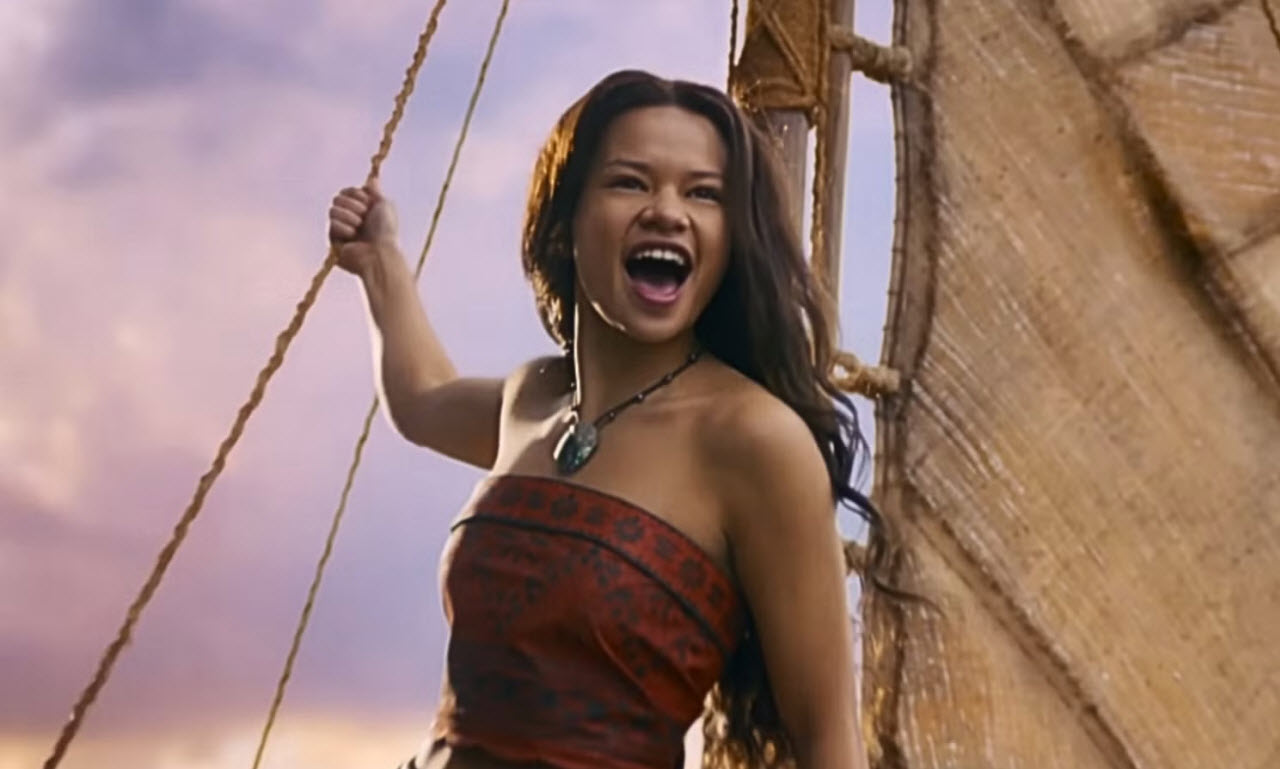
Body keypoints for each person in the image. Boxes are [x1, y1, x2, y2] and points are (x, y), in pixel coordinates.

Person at [327, 70, 882, 769]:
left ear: (731, 238)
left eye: (703, 193)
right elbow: (422, 398)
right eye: (630, 182)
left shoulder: (754, 439)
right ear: (564, 222)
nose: (668, 212)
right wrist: (379, 260)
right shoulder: (533, 396)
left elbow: (828, 739)